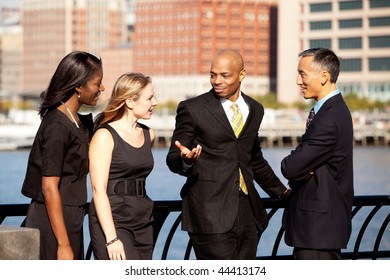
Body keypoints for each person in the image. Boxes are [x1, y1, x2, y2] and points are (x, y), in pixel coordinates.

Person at [166, 49, 289, 260]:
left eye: (225, 75)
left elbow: (254, 158)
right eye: (213, 74)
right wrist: (185, 161)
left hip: (248, 212)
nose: (216, 81)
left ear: (241, 75)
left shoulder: (255, 109)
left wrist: (283, 193)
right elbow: (173, 157)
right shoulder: (192, 108)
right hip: (209, 213)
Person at [21, 51, 104, 260]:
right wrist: (63, 244)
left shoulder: (76, 121)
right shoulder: (57, 124)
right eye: (97, 83)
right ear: (78, 86)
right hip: (52, 224)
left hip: (71, 219)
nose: (102, 89)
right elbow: (48, 187)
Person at [281, 48, 354, 260]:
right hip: (320, 230)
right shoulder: (333, 110)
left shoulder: (329, 118)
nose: (298, 80)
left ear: (324, 77)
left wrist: (296, 164)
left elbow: (290, 166)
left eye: (302, 73)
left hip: (317, 232)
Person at [88, 72, 158, 260]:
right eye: (150, 98)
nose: (155, 103)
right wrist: (111, 238)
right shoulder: (104, 136)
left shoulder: (149, 134)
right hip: (114, 219)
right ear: (130, 102)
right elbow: (98, 191)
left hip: (143, 218)